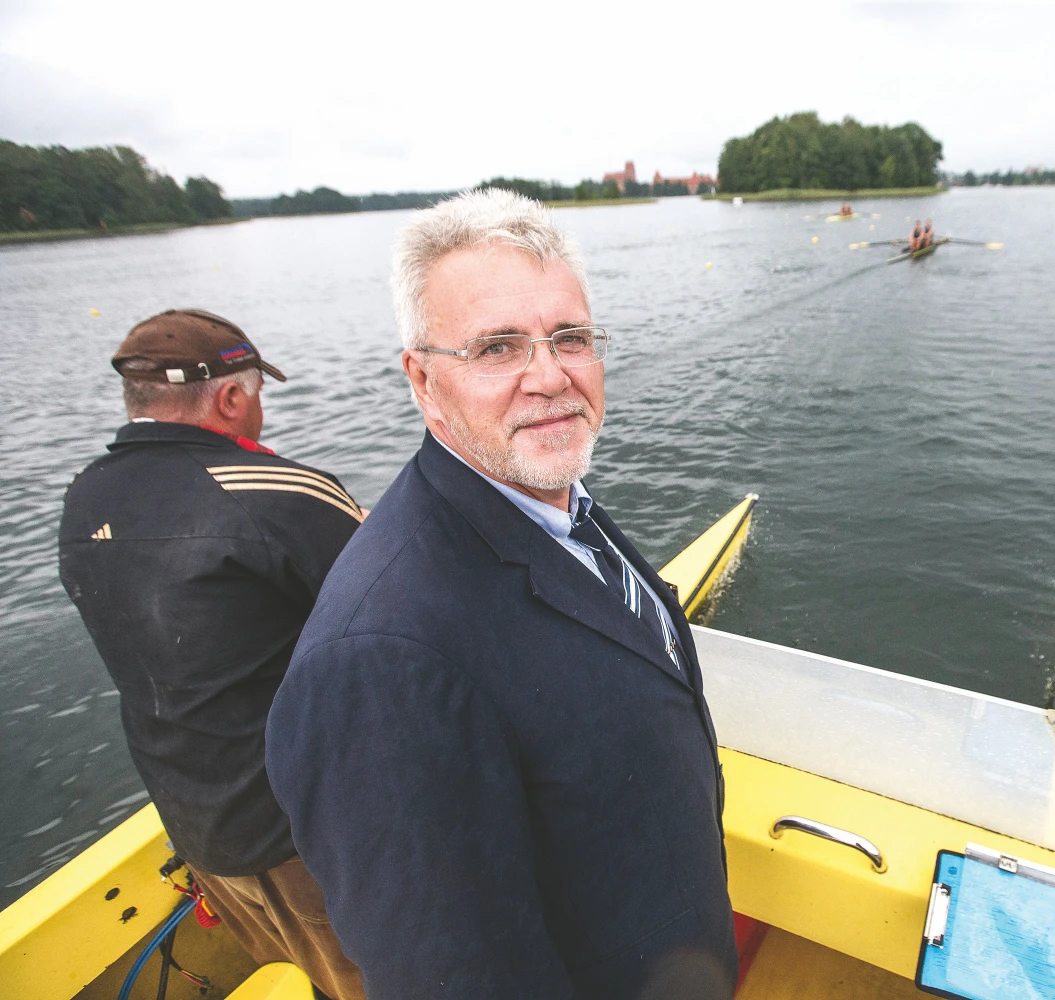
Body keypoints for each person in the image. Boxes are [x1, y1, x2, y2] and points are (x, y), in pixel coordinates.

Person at [264, 189, 738, 1000]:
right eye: (496, 348)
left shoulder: (552, 499)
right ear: (422, 380)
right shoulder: (378, 662)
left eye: (571, 338)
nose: (549, 376)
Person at [58, 310, 366, 999]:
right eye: (256, 393)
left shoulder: (84, 499)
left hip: (203, 833)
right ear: (231, 397)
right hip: (304, 838)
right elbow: (406, 612)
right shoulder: (275, 494)